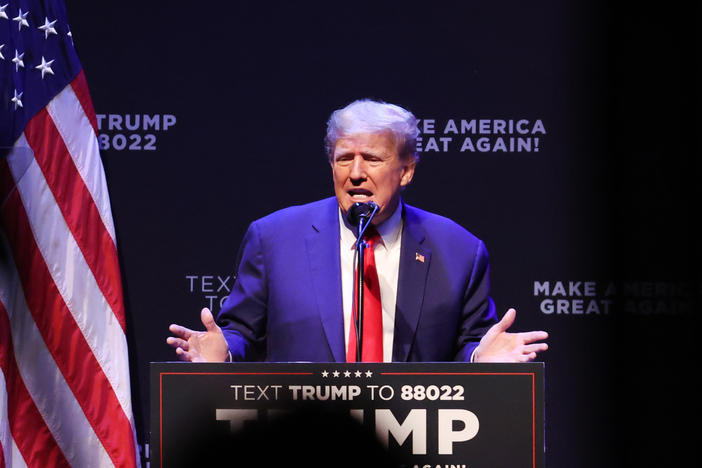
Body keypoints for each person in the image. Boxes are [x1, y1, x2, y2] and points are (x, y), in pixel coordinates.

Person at [167, 99, 548, 363]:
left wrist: (483, 356)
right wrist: (223, 351)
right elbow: (242, 331)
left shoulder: (458, 250)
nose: (356, 173)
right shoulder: (274, 239)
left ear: (407, 170)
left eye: (373, 159)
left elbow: (470, 342)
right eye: (344, 158)